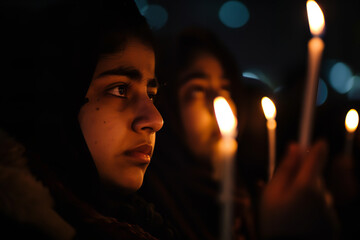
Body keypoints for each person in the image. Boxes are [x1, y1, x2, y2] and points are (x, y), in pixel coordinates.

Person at [139, 27, 340, 240]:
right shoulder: (149, 216)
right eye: (197, 90)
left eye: (225, 88)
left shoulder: (250, 196)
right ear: (165, 105)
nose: (219, 103)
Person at [0, 0, 178, 239]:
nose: (155, 120)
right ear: (57, 98)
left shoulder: (142, 223)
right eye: (120, 90)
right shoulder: (25, 222)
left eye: (151, 95)